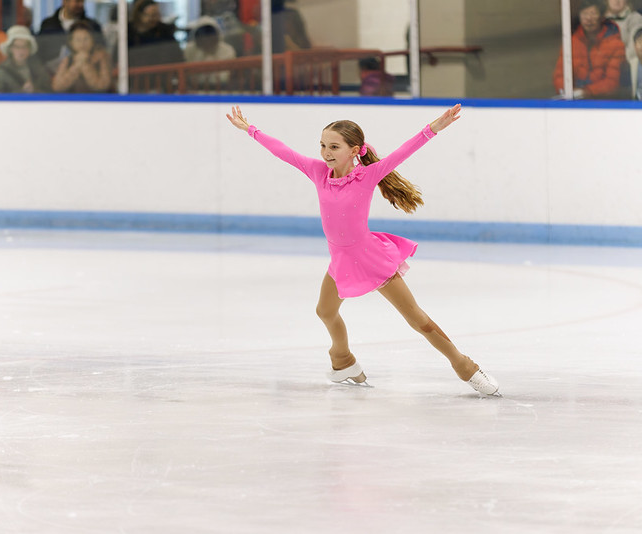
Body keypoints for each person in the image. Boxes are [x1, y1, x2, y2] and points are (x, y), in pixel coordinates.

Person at [224, 104, 500, 395]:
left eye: (334, 146)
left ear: (355, 150)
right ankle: (343, 360)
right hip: (341, 260)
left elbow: (405, 150)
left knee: (418, 321)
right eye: (322, 145)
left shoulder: (367, 176)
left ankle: (465, 366)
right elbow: (283, 151)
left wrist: (435, 127)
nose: (326, 152)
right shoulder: (318, 172)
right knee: (325, 311)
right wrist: (250, 130)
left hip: (371, 260)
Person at [553, 0, 626, 99]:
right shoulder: (571, 42)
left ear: (601, 17)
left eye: (593, 13)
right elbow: (560, 75)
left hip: (605, 102)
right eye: (584, 14)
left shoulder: (615, 44)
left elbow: (612, 82)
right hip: (573, 100)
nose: (588, 18)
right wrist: (566, 91)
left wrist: (587, 92)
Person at [37, 0, 102, 71]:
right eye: (77, 1)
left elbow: (100, 49)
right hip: (50, 73)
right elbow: (40, 51)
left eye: (83, 2)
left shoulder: (92, 26)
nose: (81, 5)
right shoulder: (48, 24)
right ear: (65, 2)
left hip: (84, 71)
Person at [51, 21, 111, 93]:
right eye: (78, 40)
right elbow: (57, 87)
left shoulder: (101, 57)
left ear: (93, 40)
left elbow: (103, 86)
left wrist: (85, 65)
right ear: (71, 43)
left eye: (86, 39)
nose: (82, 43)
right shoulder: (67, 59)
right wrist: (76, 66)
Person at [0, 25, 51, 93]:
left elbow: (49, 93)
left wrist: (34, 90)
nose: (21, 51)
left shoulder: (39, 69)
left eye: (24, 46)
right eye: (17, 47)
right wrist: (21, 93)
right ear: (10, 49)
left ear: (29, 49)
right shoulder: (1, 73)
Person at [127, 0, 184, 68]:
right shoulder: (129, 31)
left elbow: (177, 55)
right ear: (140, 15)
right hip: (136, 75)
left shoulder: (164, 31)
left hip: (163, 73)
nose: (155, 19)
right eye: (152, 15)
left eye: (157, 14)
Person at [184, 16, 236, 87]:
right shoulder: (190, 50)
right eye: (202, 35)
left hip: (222, 90)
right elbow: (188, 75)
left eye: (209, 34)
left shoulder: (227, 50)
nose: (206, 39)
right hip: (195, 91)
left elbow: (229, 76)